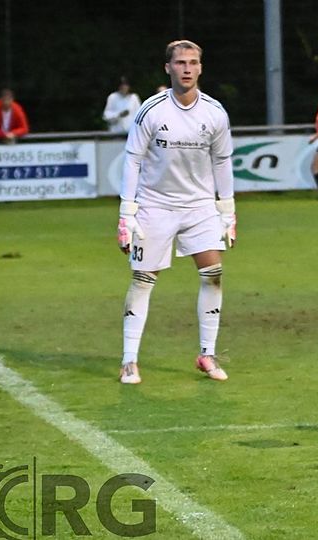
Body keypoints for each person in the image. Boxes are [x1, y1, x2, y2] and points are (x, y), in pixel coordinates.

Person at [117, 39, 237, 385]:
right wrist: (127, 213)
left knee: (213, 273)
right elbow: (133, 159)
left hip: (199, 206)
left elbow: (222, 161)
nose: (187, 68)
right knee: (143, 280)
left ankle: (207, 354)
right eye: (181, 62)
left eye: (193, 62)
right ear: (168, 68)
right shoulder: (151, 110)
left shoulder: (215, 112)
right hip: (155, 205)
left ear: (201, 68)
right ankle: (129, 361)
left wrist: (227, 211)